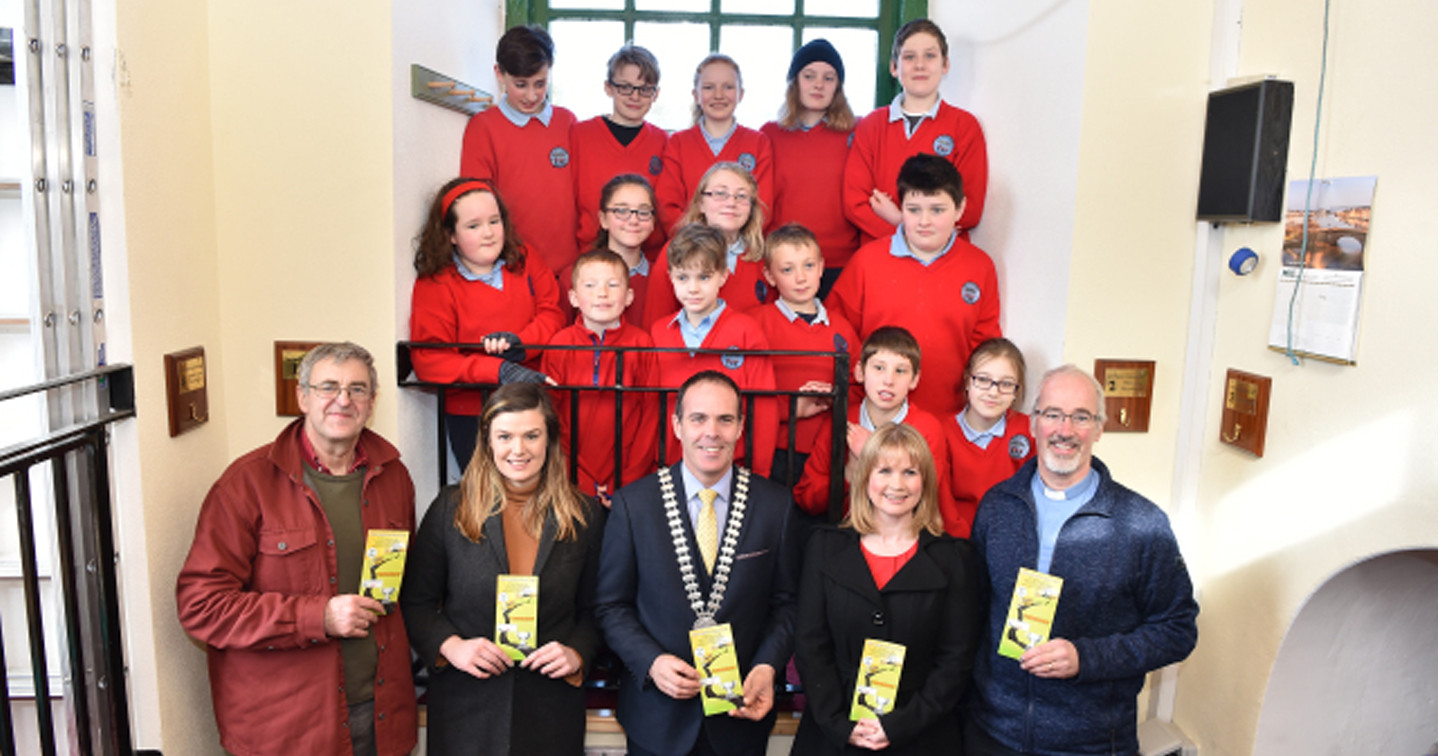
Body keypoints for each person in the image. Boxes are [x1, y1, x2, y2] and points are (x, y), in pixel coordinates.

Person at [176, 342, 417, 756]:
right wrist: (317, 616)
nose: (343, 399)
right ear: (302, 397)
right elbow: (201, 607)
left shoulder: (393, 476)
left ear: (372, 402)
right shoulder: (246, 485)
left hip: (380, 717)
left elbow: (403, 589)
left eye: (357, 389)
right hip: (287, 728)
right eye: (328, 387)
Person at [966, 365, 1199, 756]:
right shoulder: (997, 507)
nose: (1065, 429)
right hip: (993, 733)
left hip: (1090, 743)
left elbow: (1177, 630)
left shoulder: (1141, 524)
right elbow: (972, 612)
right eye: (1053, 414)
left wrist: (1086, 657)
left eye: (1081, 417)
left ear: (1100, 428)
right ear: (1034, 422)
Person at [596, 370, 802, 756]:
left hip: (741, 718)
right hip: (656, 720)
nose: (712, 432)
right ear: (676, 426)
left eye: (725, 419)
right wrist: (652, 662)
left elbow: (787, 604)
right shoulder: (632, 505)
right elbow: (610, 606)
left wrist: (767, 666)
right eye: (698, 418)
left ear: (741, 427)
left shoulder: (776, 506)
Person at [402, 383, 605, 755]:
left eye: (531, 435)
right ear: (488, 441)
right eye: (505, 436)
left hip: (551, 707)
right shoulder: (451, 508)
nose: (518, 449)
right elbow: (416, 602)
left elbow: (597, 610)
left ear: (550, 440)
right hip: (467, 705)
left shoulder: (584, 515)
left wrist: (576, 653)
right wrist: (452, 647)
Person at [791, 424, 982, 755]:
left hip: (921, 736)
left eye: (910, 472)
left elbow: (956, 659)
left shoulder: (953, 558)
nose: (897, 484)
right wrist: (839, 723)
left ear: (926, 483)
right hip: (833, 734)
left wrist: (898, 726)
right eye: (885, 470)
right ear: (865, 478)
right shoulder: (824, 548)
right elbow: (810, 645)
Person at [827, 152, 1001, 418]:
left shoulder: (980, 266)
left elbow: (985, 347)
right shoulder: (866, 262)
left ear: (960, 209)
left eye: (937, 210)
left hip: (949, 418)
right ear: (900, 208)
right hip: (876, 420)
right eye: (913, 210)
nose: (924, 221)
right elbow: (839, 337)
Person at [409, 178, 565, 467]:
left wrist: (522, 345)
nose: (489, 233)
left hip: (532, 403)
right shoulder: (435, 284)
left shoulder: (525, 258)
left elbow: (552, 313)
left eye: (495, 221)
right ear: (451, 235)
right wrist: (498, 370)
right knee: (488, 501)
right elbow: (429, 359)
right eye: (473, 226)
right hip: (472, 415)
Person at [650, 223, 779, 478]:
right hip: (669, 467)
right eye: (683, 277)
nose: (693, 288)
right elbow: (649, 409)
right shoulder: (659, 332)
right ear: (671, 277)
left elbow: (763, 409)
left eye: (704, 277)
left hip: (733, 467)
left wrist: (759, 472)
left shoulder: (746, 331)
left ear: (723, 275)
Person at [843, 19, 988, 245]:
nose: (919, 65)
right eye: (909, 57)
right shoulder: (870, 126)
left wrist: (900, 219)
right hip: (881, 253)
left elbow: (970, 209)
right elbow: (855, 203)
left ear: (945, 64)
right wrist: (913, 234)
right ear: (894, 67)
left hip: (942, 260)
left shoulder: (965, 126)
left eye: (929, 56)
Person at [792, 326, 950, 521]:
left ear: (914, 380)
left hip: (906, 537)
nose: (888, 380)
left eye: (900, 371)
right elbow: (807, 499)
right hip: (845, 534)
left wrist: (873, 454)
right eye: (879, 368)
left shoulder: (927, 428)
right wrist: (850, 472)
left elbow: (926, 498)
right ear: (860, 372)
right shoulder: (841, 422)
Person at [542, 249, 661, 502]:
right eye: (590, 285)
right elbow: (550, 418)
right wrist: (577, 479)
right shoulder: (559, 345)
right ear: (573, 297)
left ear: (629, 296)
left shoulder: (642, 344)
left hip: (627, 479)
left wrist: (626, 481)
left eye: (613, 284)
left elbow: (650, 416)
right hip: (570, 479)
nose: (602, 293)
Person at [460, 25, 578, 273]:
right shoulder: (483, 127)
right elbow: (477, 201)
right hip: (513, 266)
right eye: (521, 84)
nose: (532, 95)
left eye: (540, 83)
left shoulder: (567, 122)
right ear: (499, 74)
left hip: (570, 269)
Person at [750, 223, 860, 486]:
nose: (801, 278)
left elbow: (860, 388)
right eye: (788, 269)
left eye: (808, 266)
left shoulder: (842, 328)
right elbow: (742, 394)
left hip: (828, 451)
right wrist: (790, 408)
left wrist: (834, 395)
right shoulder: (755, 324)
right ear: (770, 275)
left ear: (822, 267)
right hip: (774, 450)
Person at [760, 39, 860, 299]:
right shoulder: (769, 134)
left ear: (838, 86)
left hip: (841, 262)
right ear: (795, 82)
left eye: (829, 78)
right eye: (809, 76)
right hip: (784, 262)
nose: (818, 84)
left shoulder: (857, 132)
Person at [643, 161, 777, 328]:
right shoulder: (675, 251)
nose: (731, 203)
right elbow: (655, 326)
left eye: (742, 196)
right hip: (690, 353)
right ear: (701, 203)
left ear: (751, 208)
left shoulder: (762, 256)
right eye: (720, 193)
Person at [656, 54, 774, 235]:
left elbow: (762, 207)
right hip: (691, 251)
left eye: (728, 87)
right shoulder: (678, 143)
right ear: (696, 95)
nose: (719, 95)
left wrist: (734, 240)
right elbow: (667, 205)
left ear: (740, 94)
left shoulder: (758, 142)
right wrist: (700, 244)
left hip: (741, 249)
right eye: (709, 87)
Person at [571, 45, 669, 261]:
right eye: (625, 87)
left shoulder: (663, 142)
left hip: (647, 259)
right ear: (609, 87)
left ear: (656, 94)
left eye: (644, 89)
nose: (635, 96)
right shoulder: (580, 134)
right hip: (591, 257)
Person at [941, 338, 1034, 537]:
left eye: (1006, 384)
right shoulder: (942, 432)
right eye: (983, 380)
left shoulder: (1028, 430)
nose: (993, 392)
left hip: (1012, 539)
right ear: (967, 381)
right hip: (957, 543)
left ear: (1017, 391)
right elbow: (942, 504)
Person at [559, 174, 660, 327]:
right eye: (622, 210)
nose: (633, 220)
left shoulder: (664, 279)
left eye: (643, 212)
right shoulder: (574, 276)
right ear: (603, 219)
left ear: (653, 222)